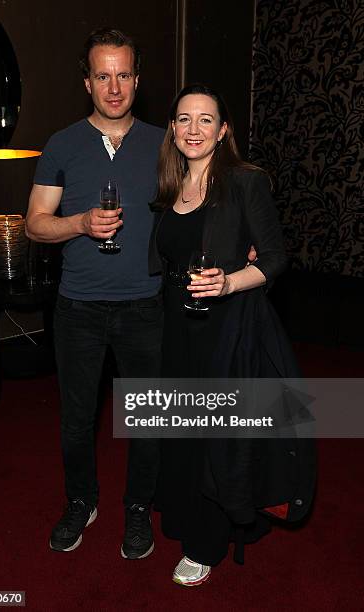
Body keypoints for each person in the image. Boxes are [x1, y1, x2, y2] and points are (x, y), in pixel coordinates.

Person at [149, 84, 316, 586]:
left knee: (216, 439)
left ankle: (207, 543)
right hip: (178, 323)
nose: (193, 129)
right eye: (183, 120)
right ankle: (185, 517)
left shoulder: (245, 182)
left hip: (227, 328)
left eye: (205, 120)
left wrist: (228, 282)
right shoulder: (169, 186)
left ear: (223, 131)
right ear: (173, 131)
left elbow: (276, 258)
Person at [25, 28, 165, 559]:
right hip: (78, 307)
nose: (113, 87)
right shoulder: (62, 144)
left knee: (147, 417)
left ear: (137, 80)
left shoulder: (164, 142)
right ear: (87, 82)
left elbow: (198, 207)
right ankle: (81, 501)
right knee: (77, 419)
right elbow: (36, 224)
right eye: (102, 75)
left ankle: (137, 508)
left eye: (123, 75)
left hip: (145, 306)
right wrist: (81, 223)